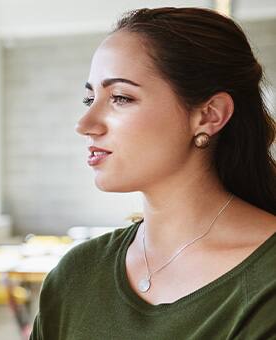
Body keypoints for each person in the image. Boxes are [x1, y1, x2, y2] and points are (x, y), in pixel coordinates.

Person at [31, 7, 276, 339]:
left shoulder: (266, 281)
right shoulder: (75, 275)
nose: (85, 125)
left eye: (120, 97)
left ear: (209, 115)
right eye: (90, 99)